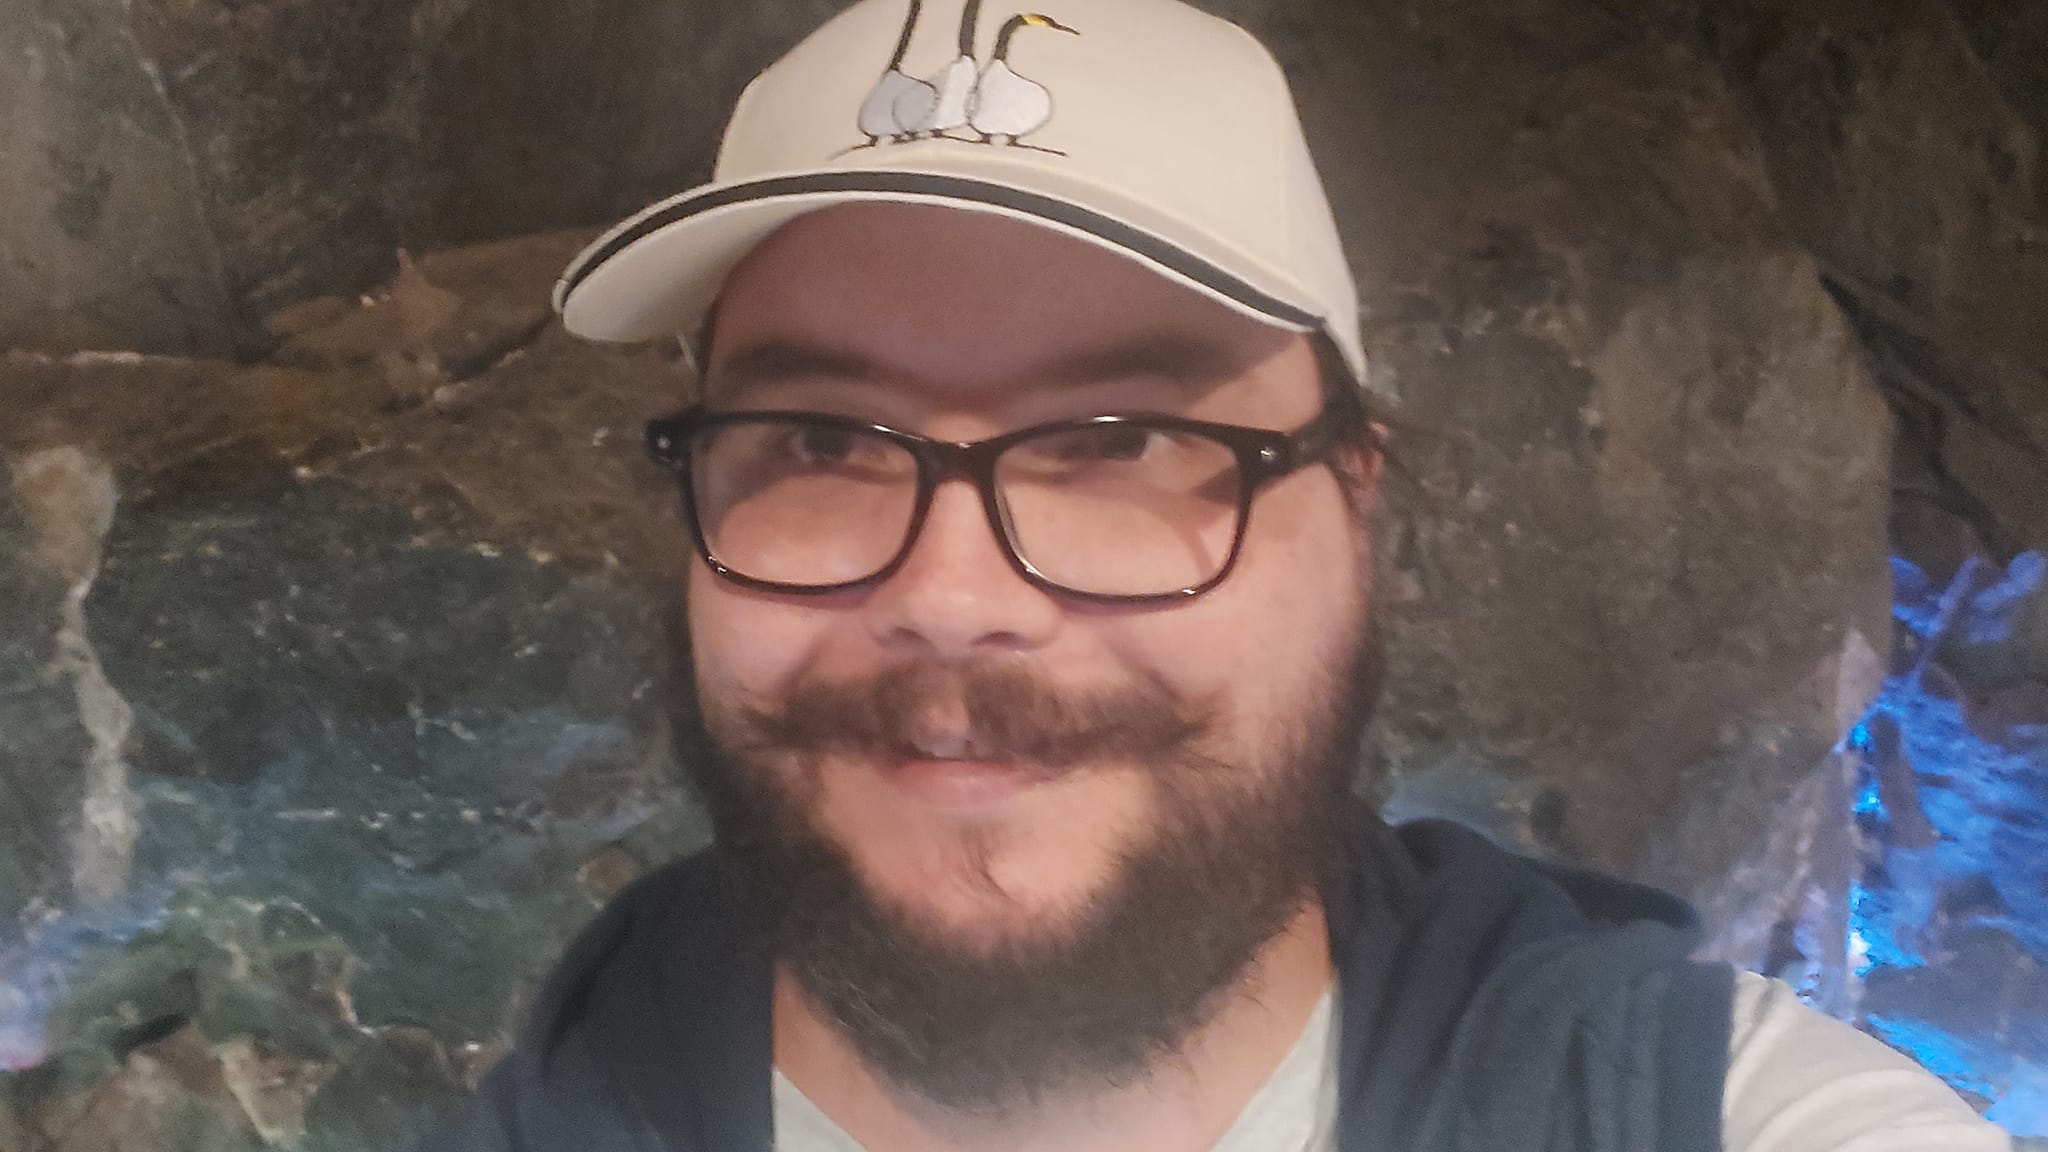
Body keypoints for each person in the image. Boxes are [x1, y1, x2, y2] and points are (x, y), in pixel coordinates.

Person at [430, 0, 2014, 1149]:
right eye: (822, 442)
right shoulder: (567, 1082)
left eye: (1121, 443)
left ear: (1358, 509)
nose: (959, 595)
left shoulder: (1676, 1106)